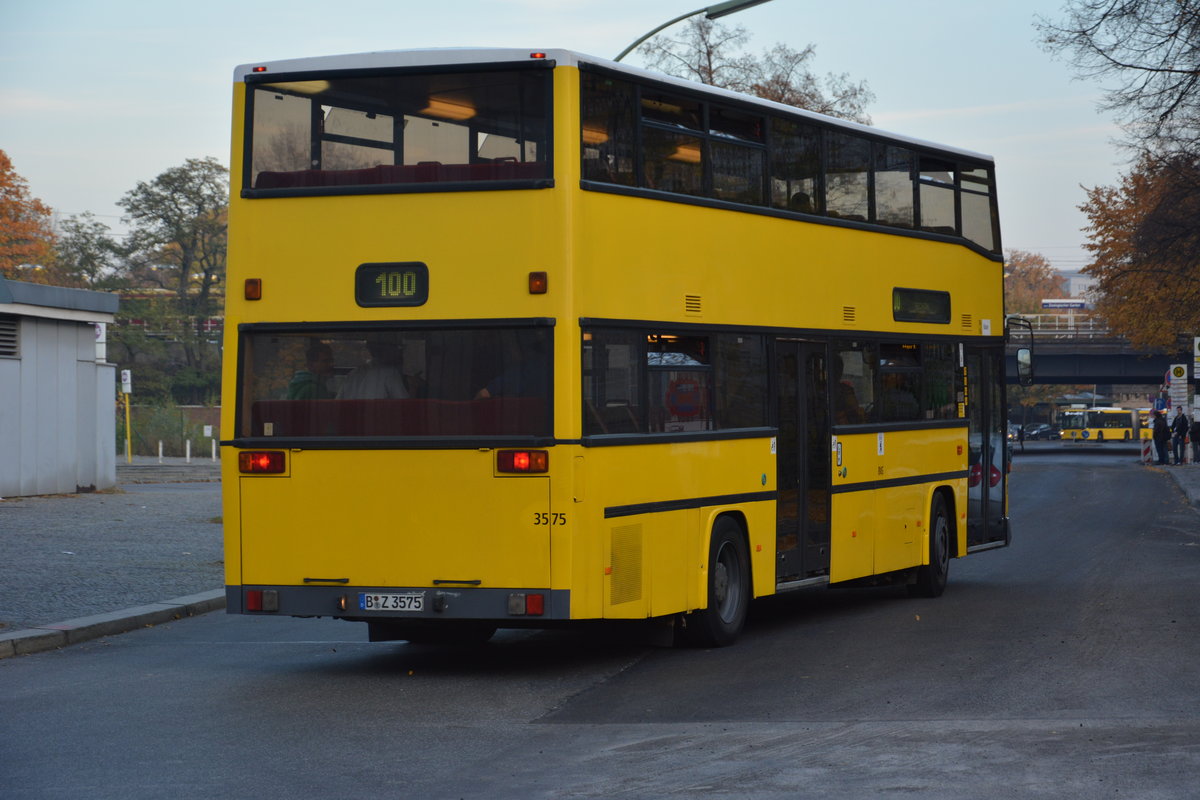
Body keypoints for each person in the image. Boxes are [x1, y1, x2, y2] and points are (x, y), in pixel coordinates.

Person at [338, 340, 410, 399]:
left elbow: (338, 402)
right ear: (389, 350)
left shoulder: (353, 374)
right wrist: (413, 387)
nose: (401, 354)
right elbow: (403, 404)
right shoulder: (390, 373)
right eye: (399, 349)